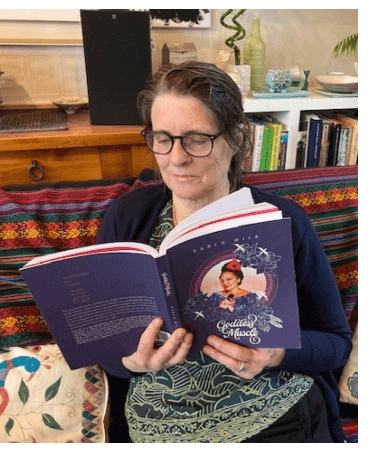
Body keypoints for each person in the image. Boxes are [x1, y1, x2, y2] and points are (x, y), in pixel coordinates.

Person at [96, 61, 351, 442]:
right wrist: (130, 363)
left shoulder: (284, 221)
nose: (175, 158)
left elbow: (335, 344)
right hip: (163, 425)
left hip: (274, 415)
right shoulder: (127, 219)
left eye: (196, 139)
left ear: (235, 138)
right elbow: (104, 350)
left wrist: (277, 355)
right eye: (162, 138)